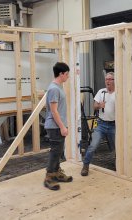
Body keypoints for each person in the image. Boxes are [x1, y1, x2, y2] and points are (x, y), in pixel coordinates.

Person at [44, 62, 73, 191]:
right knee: (55, 152)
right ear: (61, 74)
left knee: (59, 150)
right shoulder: (54, 88)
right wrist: (62, 127)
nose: (68, 77)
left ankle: (56, 173)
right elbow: (54, 111)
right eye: (67, 74)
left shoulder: (58, 87)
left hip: (57, 126)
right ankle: (49, 178)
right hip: (55, 126)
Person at [81, 72, 116, 176]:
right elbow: (94, 106)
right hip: (101, 124)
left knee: (116, 148)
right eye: (106, 79)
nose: (107, 81)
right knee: (93, 146)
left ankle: (118, 164)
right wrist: (99, 105)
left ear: (114, 81)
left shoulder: (118, 93)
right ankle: (85, 165)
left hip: (113, 125)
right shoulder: (101, 92)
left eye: (110, 79)